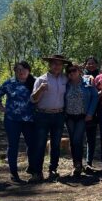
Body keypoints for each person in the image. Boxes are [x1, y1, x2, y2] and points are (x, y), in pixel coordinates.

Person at [0, 60, 36, 183]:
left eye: (23, 69)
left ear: (29, 70)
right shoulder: (9, 83)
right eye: (18, 70)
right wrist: (1, 108)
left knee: (32, 145)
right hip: (12, 120)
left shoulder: (34, 82)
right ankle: (14, 173)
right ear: (15, 72)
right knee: (13, 146)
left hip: (29, 120)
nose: (21, 72)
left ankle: (32, 169)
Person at [31, 54, 70, 182]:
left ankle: (53, 170)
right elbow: (33, 99)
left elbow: (78, 80)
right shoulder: (41, 79)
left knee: (56, 144)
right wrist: (41, 89)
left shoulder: (65, 79)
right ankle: (37, 172)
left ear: (62, 66)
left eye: (59, 64)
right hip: (43, 115)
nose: (57, 66)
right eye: (54, 63)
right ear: (49, 64)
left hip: (59, 115)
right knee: (40, 144)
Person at [64, 64, 99, 177]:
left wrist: (90, 113)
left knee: (77, 140)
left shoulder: (87, 82)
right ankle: (76, 164)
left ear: (79, 71)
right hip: (69, 116)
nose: (71, 73)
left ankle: (78, 164)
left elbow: (95, 96)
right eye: (69, 71)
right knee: (73, 141)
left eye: (73, 70)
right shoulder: (66, 84)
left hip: (82, 116)